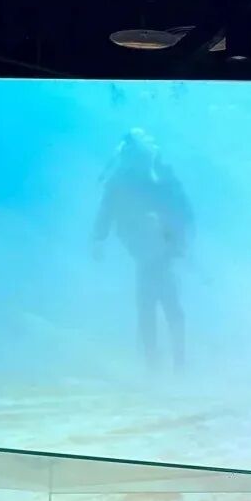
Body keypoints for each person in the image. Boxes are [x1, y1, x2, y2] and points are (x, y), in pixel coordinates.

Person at [92, 129, 193, 370]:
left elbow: (180, 208)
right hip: (148, 250)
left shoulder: (155, 175)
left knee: (160, 305)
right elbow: (107, 208)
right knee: (157, 306)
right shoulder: (123, 178)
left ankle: (171, 363)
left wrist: (179, 241)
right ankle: (161, 363)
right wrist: (98, 238)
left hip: (159, 250)